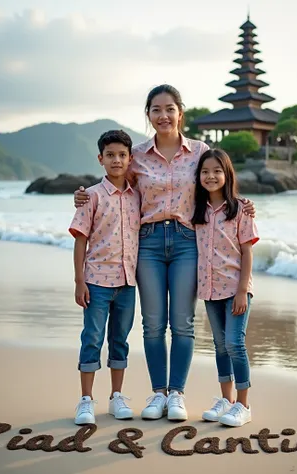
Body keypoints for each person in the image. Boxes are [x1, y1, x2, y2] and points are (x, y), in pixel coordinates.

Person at [74, 84, 256, 421]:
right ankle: (158, 393)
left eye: (169, 108)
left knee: (183, 324)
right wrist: (82, 196)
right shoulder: (138, 155)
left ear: (180, 112)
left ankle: (177, 395)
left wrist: (242, 204)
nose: (163, 115)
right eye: (156, 109)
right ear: (148, 115)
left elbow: (217, 180)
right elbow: (113, 185)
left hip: (189, 241)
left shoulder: (200, 150)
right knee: (153, 324)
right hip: (149, 243)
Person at [69, 130, 141, 425]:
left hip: (127, 282)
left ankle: (116, 397)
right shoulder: (92, 196)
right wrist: (78, 280)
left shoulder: (138, 195)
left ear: (130, 159)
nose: (117, 160)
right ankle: (86, 401)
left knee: (120, 340)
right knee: (92, 338)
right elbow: (80, 239)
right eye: (110, 155)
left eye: (122, 155)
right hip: (96, 282)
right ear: (101, 159)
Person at [191, 148, 259, 427]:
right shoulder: (196, 210)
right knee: (220, 346)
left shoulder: (241, 209)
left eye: (217, 171)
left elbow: (247, 252)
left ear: (227, 174)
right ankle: (226, 400)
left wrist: (243, 290)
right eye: (205, 172)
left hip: (235, 289)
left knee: (235, 343)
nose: (211, 176)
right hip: (209, 290)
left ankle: (244, 405)